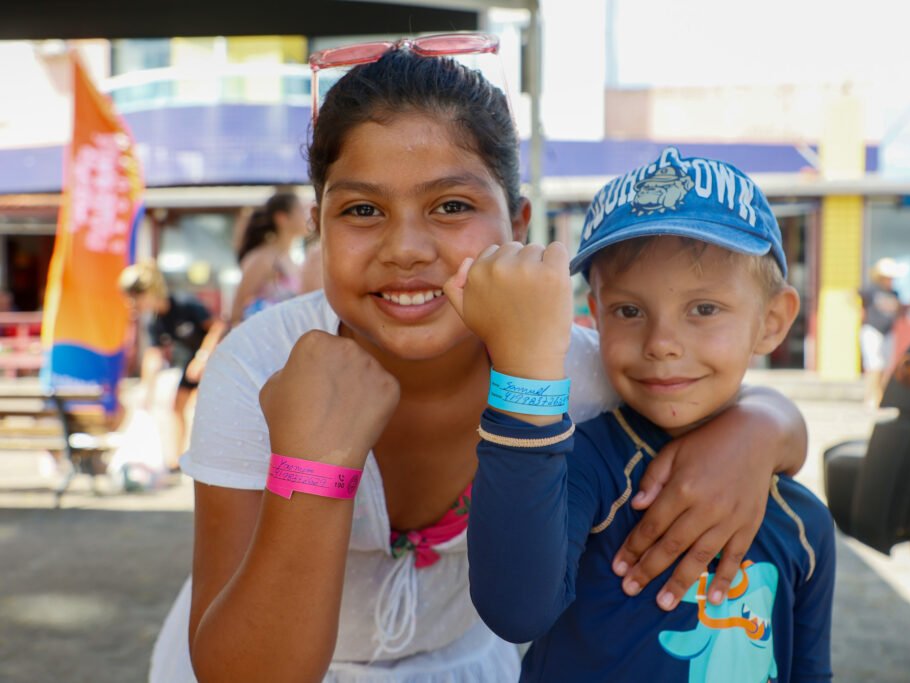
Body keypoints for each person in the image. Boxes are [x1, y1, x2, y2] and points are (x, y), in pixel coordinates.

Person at [149, 38, 809, 683]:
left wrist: (762, 427)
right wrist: (313, 465)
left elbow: (704, 392)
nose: (406, 246)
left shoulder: (575, 374)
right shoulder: (259, 368)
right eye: (361, 209)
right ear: (319, 227)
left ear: (517, 224)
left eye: (452, 205)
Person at [453, 150, 836, 682]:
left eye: (703, 309)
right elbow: (515, 610)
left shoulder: (805, 524)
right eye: (629, 311)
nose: (661, 344)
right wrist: (522, 375)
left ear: (772, 322)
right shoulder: (584, 465)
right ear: (597, 315)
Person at [118, 261, 226, 469]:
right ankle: (177, 460)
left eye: (134, 298)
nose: (132, 304)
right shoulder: (155, 321)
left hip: (216, 359)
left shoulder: (184, 303)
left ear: (148, 291)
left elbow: (218, 326)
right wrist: (146, 391)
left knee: (206, 409)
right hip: (191, 362)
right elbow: (153, 355)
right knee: (177, 406)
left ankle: (212, 458)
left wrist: (203, 357)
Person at [228, 191, 308, 327]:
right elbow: (237, 311)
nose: (307, 217)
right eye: (301, 210)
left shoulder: (292, 260)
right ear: (282, 218)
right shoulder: (262, 259)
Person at [859, 257, 907, 407]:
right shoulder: (871, 290)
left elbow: (900, 311)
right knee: (874, 365)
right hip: (872, 330)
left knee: (886, 367)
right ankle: (871, 398)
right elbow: (858, 299)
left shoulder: (895, 294)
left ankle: (881, 398)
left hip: (888, 332)